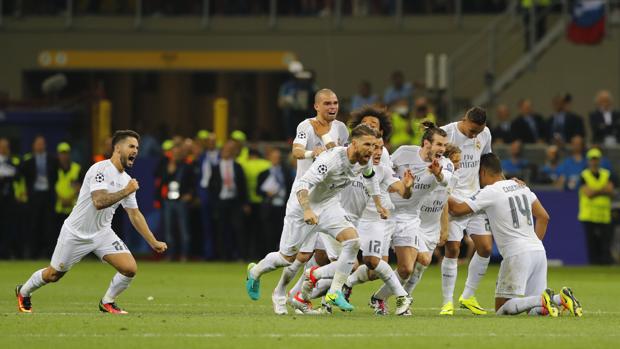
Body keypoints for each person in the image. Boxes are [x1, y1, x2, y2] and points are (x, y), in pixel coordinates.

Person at [16, 130, 168, 314]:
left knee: (129, 269)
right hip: (75, 233)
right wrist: (126, 191)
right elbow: (99, 202)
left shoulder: (126, 180)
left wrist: (153, 241)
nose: (135, 150)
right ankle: (24, 291)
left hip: (102, 233)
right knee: (53, 274)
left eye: (137, 147)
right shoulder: (100, 170)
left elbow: (134, 214)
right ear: (118, 148)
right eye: (131, 146)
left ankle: (107, 302)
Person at [246, 124, 387, 313]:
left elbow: (370, 178)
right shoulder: (331, 159)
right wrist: (307, 210)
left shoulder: (364, 160)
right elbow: (303, 184)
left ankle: (335, 292)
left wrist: (378, 204)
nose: (371, 150)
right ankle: (255, 271)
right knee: (286, 258)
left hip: (328, 205)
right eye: (368, 144)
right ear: (354, 143)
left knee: (352, 242)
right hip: (303, 206)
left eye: (374, 146)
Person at [448, 153, 583, 317]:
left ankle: (542, 299)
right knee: (538, 312)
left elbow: (456, 209)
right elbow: (544, 217)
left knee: (501, 309)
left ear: (482, 171)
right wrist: (531, 244)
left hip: (516, 254)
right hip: (538, 251)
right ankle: (559, 298)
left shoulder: (490, 192)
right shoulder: (521, 186)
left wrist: (441, 187)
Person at [263, 88, 349, 315]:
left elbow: (343, 157)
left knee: (343, 254)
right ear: (316, 106)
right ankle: (280, 291)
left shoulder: (341, 128)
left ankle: (303, 297)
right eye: (328, 103)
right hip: (305, 197)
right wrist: (315, 152)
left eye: (336, 103)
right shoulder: (305, 126)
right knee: (298, 256)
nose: (333, 107)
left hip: (330, 199)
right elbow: (297, 151)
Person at [368, 122, 454, 314]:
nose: (442, 149)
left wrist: (438, 173)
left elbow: (446, 181)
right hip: (388, 213)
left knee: (411, 266)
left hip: (410, 218)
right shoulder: (404, 152)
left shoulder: (445, 164)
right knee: (372, 269)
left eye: (444, 145)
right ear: (426, 143)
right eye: (439, 144)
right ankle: (345, 285)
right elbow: (384, 169)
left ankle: (385, 299)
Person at [440, 106, 493, 316]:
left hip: (475, 198)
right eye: (471, 131)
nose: (474, 135)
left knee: (486, 248)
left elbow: (487, 163)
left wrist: (501, 182)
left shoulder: (485, 134)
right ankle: (447, 302)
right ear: (464, 119)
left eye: (478, 132)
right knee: (452, 248)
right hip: (452, 196)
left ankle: (468, 296)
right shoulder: (447, 134)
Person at [209, 140, 249, 260]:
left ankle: (241, 255)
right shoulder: (215, 168)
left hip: (235, 201)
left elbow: (243, 185)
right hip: (221, 201)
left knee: (238, 229)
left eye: (229, 151)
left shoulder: (237, 166)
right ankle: (224, 256)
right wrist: (214, 203)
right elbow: (211, 186)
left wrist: (245, 203)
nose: (226, 153)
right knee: (222, 230)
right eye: (225, 150)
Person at [21, 135, 59, 258]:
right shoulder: (28, 161)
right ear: (34, 146)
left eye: (42, 144)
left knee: (49, 225)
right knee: (34, 224)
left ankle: (49, 253)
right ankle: (33, 253)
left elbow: (56, 177)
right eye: (38, 144)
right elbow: (23, 177)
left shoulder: (52, 160)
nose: (40, 146)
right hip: (34, 196)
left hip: (48, 196)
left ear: (45, 145)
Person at [578, 148, 616, 265]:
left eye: (596, 159)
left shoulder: (607, 174)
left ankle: (604, 265)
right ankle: (593, 265)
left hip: (604, 215)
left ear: (599, 160)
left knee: (605, 244)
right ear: (589, 161)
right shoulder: (584, 175)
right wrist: (602, 189)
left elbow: (610, 190)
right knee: (592, 244)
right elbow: (588, 193)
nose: (594, 162)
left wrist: (595, 190)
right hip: (589, 216)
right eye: (592, 159)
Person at [160, 143, 195, 261]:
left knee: (184, 230)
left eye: (178, 153)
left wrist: (190, 195)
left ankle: (184, 255)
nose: (176, 156)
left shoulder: (187, 166)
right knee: (169, 230)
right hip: (168, 201)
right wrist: (170, 171)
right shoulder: (167, 165)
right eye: (174, 153)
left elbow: (192, 183)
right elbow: (161, 182)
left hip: (181, 201)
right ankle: (169, 255)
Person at [54, 142, 82, 234]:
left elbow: (82, 187)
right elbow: (52, 187)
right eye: (62, 153)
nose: (64, 156)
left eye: (66, 153)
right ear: (58, 155)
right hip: (58, 208)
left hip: (73, 209)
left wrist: (70, 199)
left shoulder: (77, 168)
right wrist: (61, 199)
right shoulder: (53, 169)